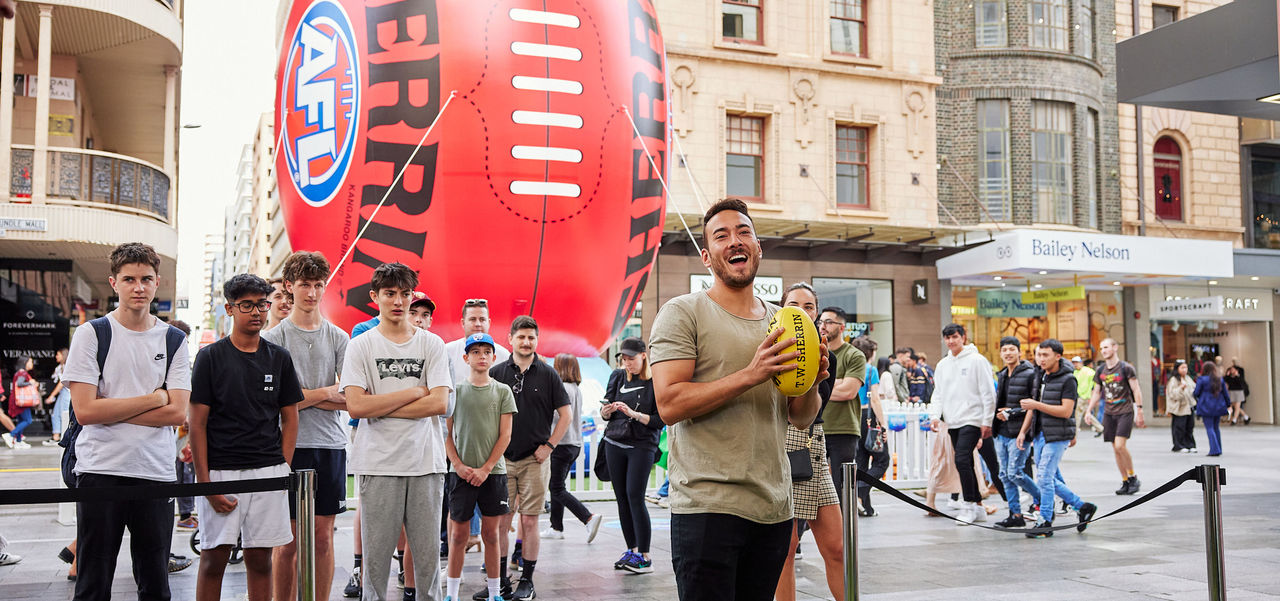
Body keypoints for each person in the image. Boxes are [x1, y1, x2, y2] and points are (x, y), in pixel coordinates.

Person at [650, 199, 828, 601]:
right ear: (706, 256)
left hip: (773, 505)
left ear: (758, 248)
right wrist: (752, 374)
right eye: (721, 235)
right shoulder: (683, 312)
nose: (735, 240)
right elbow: (670, 404)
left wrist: (811, 384)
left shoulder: (784, 320)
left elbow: (799, 418)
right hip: (707, 506)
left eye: (744, 232)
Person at [63, 242, 191, 601]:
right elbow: (85, 411)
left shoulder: (174, 339)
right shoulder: (92, 334)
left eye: (146, 279)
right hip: (100, 469)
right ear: (113, 283)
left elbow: (177, 413)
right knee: (92, 583)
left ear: (156, 282)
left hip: (155, 472)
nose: (138, 287)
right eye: (129, 279)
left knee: (155, 584)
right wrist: (154, 397)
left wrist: (112, 406)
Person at [343, 262, 452, 601]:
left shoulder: (431, 344)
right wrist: (412, 392)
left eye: (405, 294)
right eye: (390, 293)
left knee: (428, 566)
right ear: (375, 297)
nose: (398, 301)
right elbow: (357, 407)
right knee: (375, 569)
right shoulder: (361, 345)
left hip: (426, 465)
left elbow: (438, 404)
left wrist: (383, 403)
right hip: (378, 465)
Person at [190, 274, 302, 601]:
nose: (257, 311)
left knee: (261, 559)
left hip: (268, 471)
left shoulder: (279, 357)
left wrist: (282, 467)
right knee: (213, 558)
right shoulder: (210, 357)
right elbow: (197, 423)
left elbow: (290, 417)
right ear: (230, 308)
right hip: (222, 471)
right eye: (247, 305)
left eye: (262, 304)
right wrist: (205, 484)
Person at [263, 251, 351, 601]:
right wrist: (327, 392)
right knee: (287, 543)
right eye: (304, 285)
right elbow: (274, 402)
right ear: (289, 287)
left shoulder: (339, 338)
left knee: (323, 537)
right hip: (286, 445)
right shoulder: (273, 339)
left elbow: (351, 397)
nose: (311, 293)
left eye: (318, 285)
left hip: (330, 445)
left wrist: (301, 396)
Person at [484, 315, 571, 600]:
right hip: (502, 460)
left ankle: (527, 579)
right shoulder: (496, 373)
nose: (526, 342)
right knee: (500, 522)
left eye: (531, 337)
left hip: (535, 460)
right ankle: (499, 581)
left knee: (530, 521)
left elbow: (565, 416)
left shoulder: (548, 374)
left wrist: (549, 445)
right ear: (510, 339)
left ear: (537, 340)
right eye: (520, 337)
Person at [774, 283, 844, 601]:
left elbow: (819, 405)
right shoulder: (774, 346)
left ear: (817, 312)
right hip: (788, 448)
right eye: (794, 304)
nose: (802, 309)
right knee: (786, 550)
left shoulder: (825, 352)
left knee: (837, 547)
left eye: (810, 305)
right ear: (782, 308)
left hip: (816, 448)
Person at [444, 332, 517, 601]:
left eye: (486, 351)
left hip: (494, 474)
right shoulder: (456, 391)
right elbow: (447, 434)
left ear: (494, 357)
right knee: (458, 536)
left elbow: (505, 435)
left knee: (491, 534)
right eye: (475, 352)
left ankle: (495, 592)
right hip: (460, 474)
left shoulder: (502, 391)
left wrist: (486, 468)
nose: (481, 356)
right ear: (466, 357)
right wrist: (459, 465)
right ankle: (451, 593)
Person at [1017, 339, 1097, 538]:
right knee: (1048, 477)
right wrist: (1023, 431)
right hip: (1040, 433)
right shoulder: (1040, 376)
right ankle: (1082, 506)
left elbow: (1065, 411)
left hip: (1058, 434)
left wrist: (1036, 405)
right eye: (1039, 355)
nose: (1041, 359)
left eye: (1045, 355)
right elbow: (1032, 407)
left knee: (1044, 477)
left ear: (1058, 356)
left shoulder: (1069, 379)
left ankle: (1044, 521)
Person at [600, 336, 664, 574]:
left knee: (635, 496)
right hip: (615, 442)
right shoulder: (617, 376)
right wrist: (606, 412)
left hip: (642, 444)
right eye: (624, 359)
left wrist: (634, 415)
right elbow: (605, 408)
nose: (627, 363)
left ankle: (645, 556)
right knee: (622, 499)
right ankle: (632, 549)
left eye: (632, 359)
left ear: (643, 356)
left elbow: (660, 420)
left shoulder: (654, 381)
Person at [930, 324, 996, 525]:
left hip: (973, 419)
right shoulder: (943, 365)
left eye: (955, 337)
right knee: (965, 462)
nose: (951, 341)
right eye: (947, 338)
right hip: (952, 420)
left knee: (961, 459)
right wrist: (935, 415)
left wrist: (987, 421)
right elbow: (938, 393)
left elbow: (988, 392)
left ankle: (968, 505)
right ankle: (976, 505)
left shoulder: (977, 360)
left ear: (963, 337)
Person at [543, 354, 603, 542]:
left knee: (557, 487)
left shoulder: (564, 389)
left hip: (561, 443)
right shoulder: (576, 389)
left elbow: (556, 415)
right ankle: (556, 526)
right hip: (573, 443)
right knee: (557, 485)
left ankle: (587, 517)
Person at [815, 307, 865, 504]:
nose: (823, 326)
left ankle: (843, 534)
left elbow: (848, 391)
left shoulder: (854, 355)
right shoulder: (814, 351)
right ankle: (799, 533)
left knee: (840, 489)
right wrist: (837, 382)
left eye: (828, 322)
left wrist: (819, 385)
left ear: (841, 327)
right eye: (821, 322)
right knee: (806, 484)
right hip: (815, 427)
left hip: (844, 429)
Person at [1085, 338, 1146, 495]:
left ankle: (1133, 477)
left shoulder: (1126, 368)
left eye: (1106, 347)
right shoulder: (1100, 371)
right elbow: (1097, 392)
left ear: (1115, 347)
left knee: (1120, 445)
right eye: (1101, 348)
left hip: (1125, 410)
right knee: (1115, 448)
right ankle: (1125, 480)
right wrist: (1088, 410)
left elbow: (1136, 389)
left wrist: (1139, 409)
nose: (1103, 350)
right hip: (1109, 412)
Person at [992, 337, 1040, 528]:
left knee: (1015, 473)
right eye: (1004, 350)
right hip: (1001, 431)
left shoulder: (1029, 374)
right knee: (1004, 474)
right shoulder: (1002, 374)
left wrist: (1010, 412)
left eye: (1012, 349)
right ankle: (1016, 514)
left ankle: (1043, 500)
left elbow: (1033, 405)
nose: (1008, 353)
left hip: (1019, 432)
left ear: (1019, 352)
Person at [850, 336, 886, 517]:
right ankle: (860, 491)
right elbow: (876, 399)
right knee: (882, 460)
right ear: (871, 353)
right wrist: (884, 424)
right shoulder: (871, 370)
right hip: (868, 417)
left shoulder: (850, 368)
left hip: (853, 416)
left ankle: (867, 508)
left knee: (862, 462)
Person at [1193, 363, 1230, 457]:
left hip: (1206, 405)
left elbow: (1196, 392)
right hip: (1218, 405)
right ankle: (1219, 448)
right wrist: (1228, 404)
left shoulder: (1201, 379)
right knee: (1216, 428)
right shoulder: (1219, 379)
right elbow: (1225, 394)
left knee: (1209, 428)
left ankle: (1214, 449)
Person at [1164, 360, 1197, 453]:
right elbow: (1172, 394)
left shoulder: (1188, 378)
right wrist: (1181, 388)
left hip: (1189, 406)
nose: (1184, 370)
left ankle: (1190, 444)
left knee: (1189, 426)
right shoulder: (1173, 380)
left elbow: (1194, 389)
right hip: (1179, 408)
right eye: (1182, 368)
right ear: (1177, 369)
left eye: (1185, 367)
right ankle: (1179, 445)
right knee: (1179, 427)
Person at [44, 347, 72, 445]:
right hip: (63, 393)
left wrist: (51, 396)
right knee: (56, 414)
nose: (56, 356)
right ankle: (56, 437)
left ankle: (65, 437)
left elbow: (61, 384)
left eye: (58, 354)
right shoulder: (59, 367)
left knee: (64, 415)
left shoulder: (67, 366)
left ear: (63, 355)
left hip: (67, 393)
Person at [7, 357, 36, 447]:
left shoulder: (20, 372)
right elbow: (19, 384)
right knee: (28, 420)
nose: (32, 364)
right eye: (30, 361)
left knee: (21, 420)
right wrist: (30, 383)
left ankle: (18, 441)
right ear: (25, 362)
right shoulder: (23, 373)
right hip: (22, 401)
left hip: (17, 400)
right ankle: (11, 435)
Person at [1071, 356, 1097, 432]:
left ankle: (1074, 432)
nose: (1075, 364)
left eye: (1077, 362)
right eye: (1074, 363)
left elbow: (1095, 385)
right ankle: (1100, 428)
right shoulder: (1074, 372)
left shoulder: (1089, 371)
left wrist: (1093, 396)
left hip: (1085, 396)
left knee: (1077, 415)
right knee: (1087, 413)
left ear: (1081, 363)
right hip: (1078, 396)